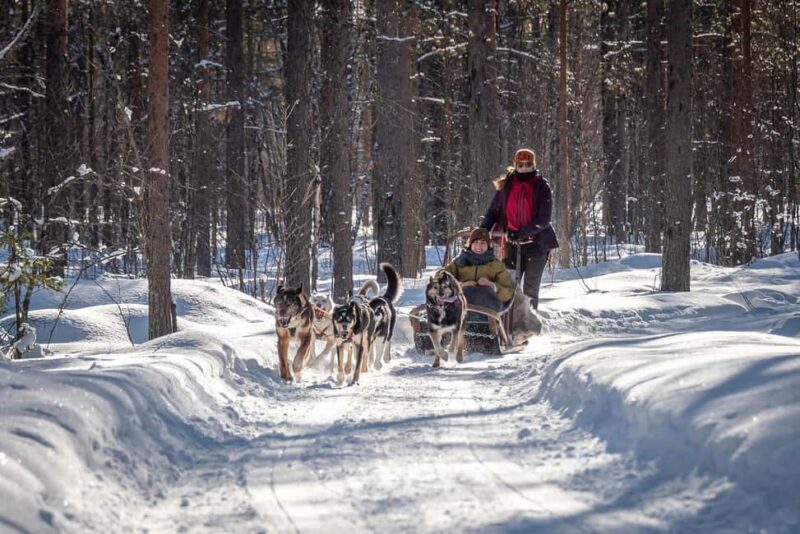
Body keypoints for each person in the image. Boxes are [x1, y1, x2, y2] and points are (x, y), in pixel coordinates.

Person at [479, 148, 558, 310]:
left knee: (530, 290)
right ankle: (507, 322)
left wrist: (521, 233)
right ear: (515, 165)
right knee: (507, 287)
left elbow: (544, 219)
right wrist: (482, 230)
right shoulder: (506, 186)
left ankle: (527, 323)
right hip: (511, 244)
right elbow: (493, 211)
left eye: (528, 164)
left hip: (536, 245)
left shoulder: (541, 187)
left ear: (533, 165)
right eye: (520, 165)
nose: (524, 168)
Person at [443, 227, 513, 312]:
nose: (479, 246)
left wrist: (492, 286)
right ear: (470, 244)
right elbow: (441, 278)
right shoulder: (458, 262)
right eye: (476, 242)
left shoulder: (497, 266)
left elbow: (507, 294)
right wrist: (461, 286)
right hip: (460, 307)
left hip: (488, 309)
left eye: (483, 242)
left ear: (488, 245)